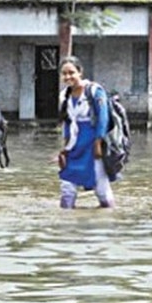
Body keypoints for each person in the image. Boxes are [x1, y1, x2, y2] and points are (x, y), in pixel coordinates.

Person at [57, 55, 115, 209]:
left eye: (71, 72)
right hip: (74, 145)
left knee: (101, 188)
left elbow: (103, 118)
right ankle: (66, 223)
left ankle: (107, 217)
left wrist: (98, 142)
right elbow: (67, 123)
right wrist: (64, 149)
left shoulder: (94, 91)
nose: (68, 77)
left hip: (92, 142)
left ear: (80, 72)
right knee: (67, 187)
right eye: (64, 73)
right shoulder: (64, 96)